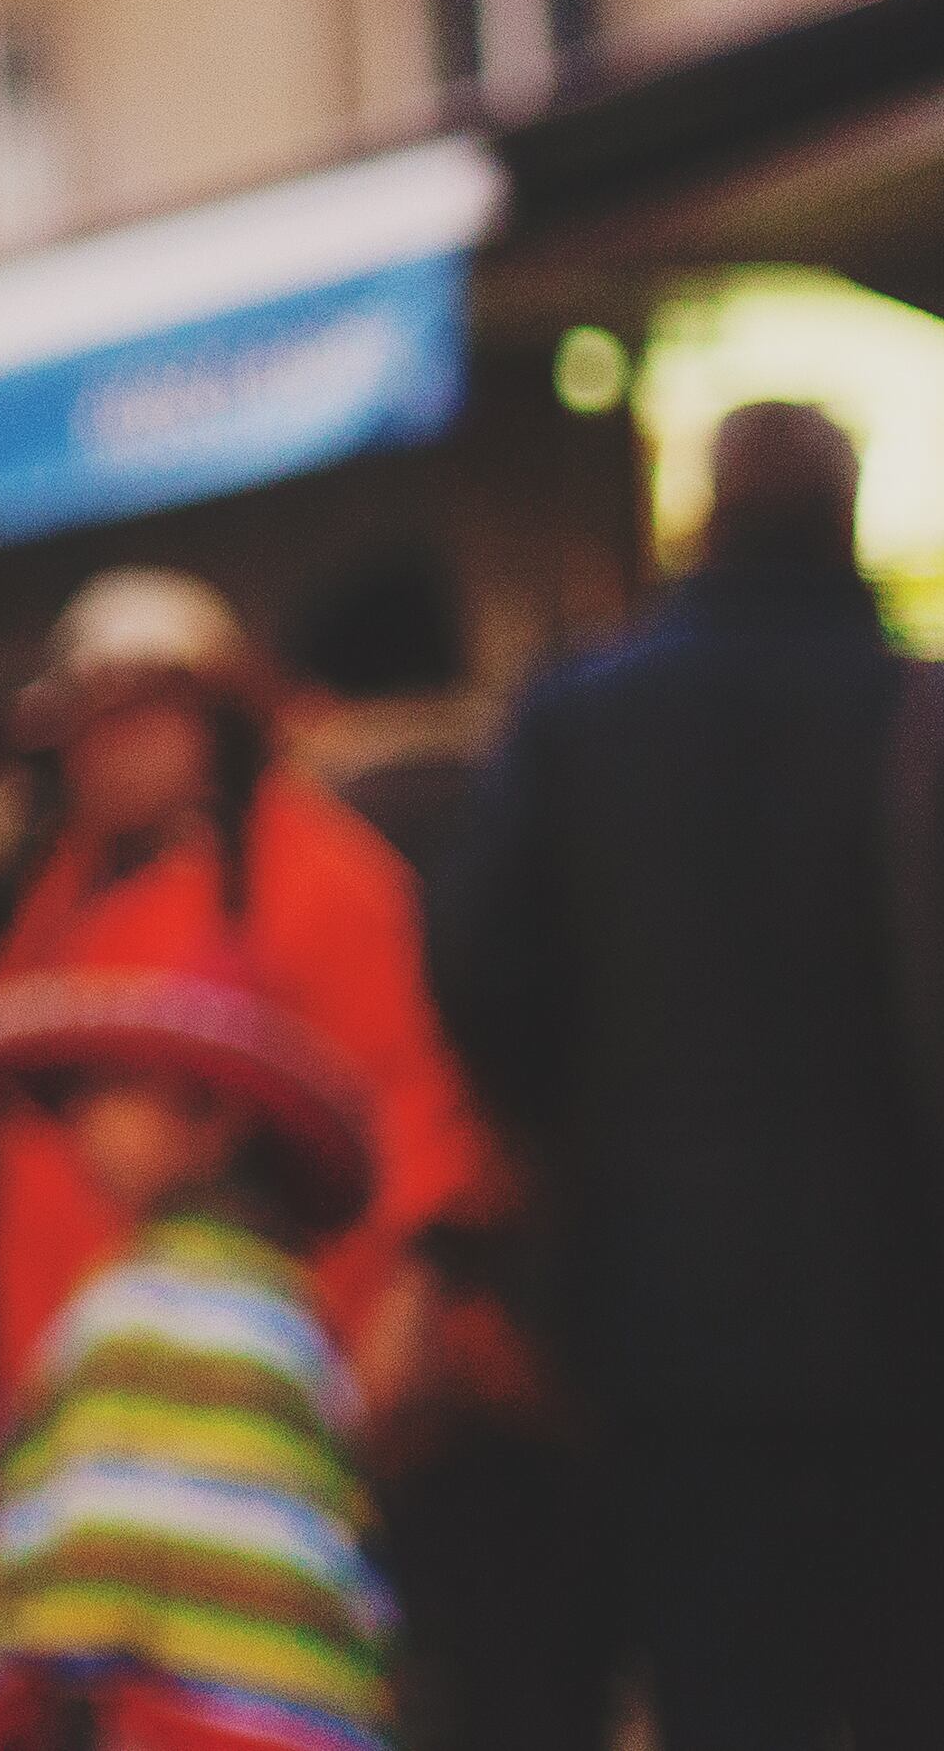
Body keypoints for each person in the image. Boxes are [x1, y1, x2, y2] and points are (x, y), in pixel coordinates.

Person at [435, 402, 944, 1751]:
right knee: (905, 1677)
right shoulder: (914, 709)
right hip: (909, 1307)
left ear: (700, 516)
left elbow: (483, 973)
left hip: (659, 1315)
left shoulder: (580, 720)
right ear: (843, 517)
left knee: (724, 1687)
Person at [0, 571, 494, 1398]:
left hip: (295, 1368)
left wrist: (408, 1307)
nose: (117, 748)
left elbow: (415, 1104)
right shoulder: (48, 912)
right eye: (94, 725)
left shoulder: (318, 876)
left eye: (147, 716)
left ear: (215, 723)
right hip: (98, 1395)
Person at [0, 966, 395, 1751]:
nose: (83, 1121)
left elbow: (96, 1545)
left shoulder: (139, 1317)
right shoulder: (293, 1327)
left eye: (113, 1089)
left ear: (213, 1119)